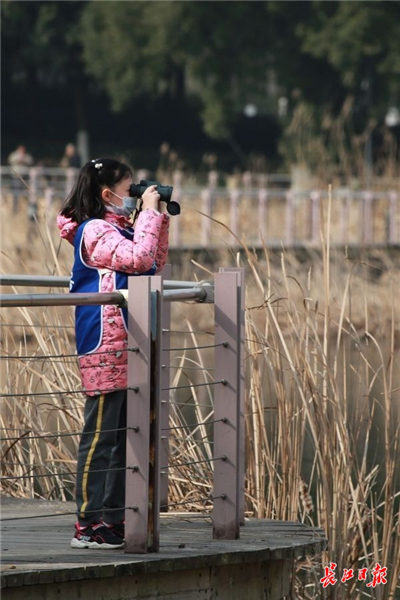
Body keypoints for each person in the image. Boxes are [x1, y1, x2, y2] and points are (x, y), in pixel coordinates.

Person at [57, 158, 169, 549]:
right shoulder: (95, 231)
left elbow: (152, 262)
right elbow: (136, 258)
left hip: (126, 343)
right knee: (100, 437)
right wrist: (149, 215)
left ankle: (112, 519)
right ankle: (87, 525)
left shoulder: (118, 227)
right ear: (107, 194)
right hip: (104, 344)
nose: (134, 196)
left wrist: (155, 219)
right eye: (129, 190)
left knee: (121, 437)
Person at [7, 144, 34, 214]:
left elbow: (30, 161)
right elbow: (10, 160)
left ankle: (25, 209)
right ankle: (15, 208)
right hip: (16, 177)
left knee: (27, 193)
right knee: (16, 193)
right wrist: (18, 159)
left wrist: (24, 159)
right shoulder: (14, 155)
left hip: (25, 177)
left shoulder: (27, 156)